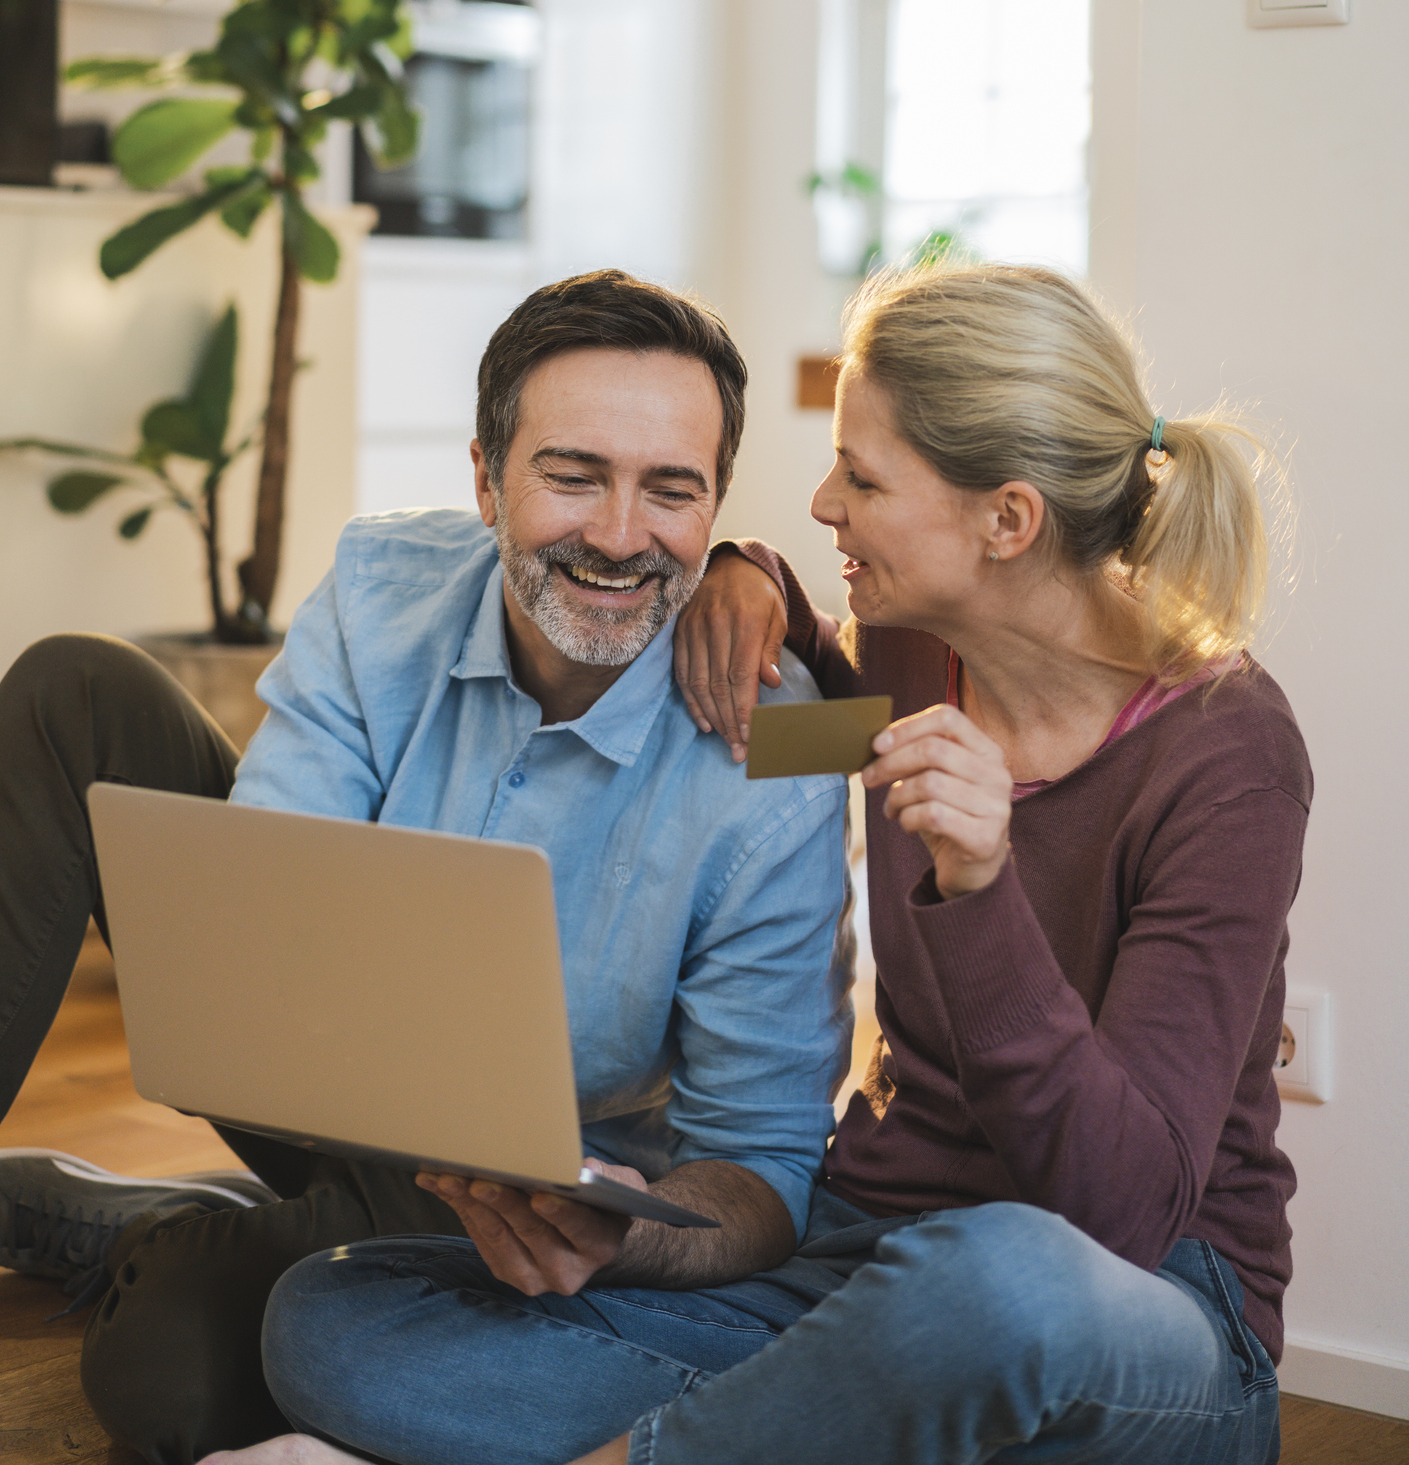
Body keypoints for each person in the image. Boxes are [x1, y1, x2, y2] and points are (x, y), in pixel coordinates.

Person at [242, 259, 1307, 1465]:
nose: (821, 501)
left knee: (997, 1275)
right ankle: (820, 1430)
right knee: (336, 1312)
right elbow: (760, 723)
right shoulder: (905, 656)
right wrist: (740, 572)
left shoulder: (1227, 755)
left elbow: (1121, 1208)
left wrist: (981, 889)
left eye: (861, 475)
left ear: (1006, 520)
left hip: (1136, 1309)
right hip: (857, 1263)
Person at [0, 269, 851, 1464]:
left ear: (715, 504)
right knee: (69, 688)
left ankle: (126, 1220)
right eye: (571, 473)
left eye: (671, 488)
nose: (618, 534)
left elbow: (762, 1171)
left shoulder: (774, 759)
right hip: (315, 1057)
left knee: (169, 1387)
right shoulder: (380, 587)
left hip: (512, 1189)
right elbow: (267, 898)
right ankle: (228, 1218)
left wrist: (617, 1235)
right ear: (484, 477)